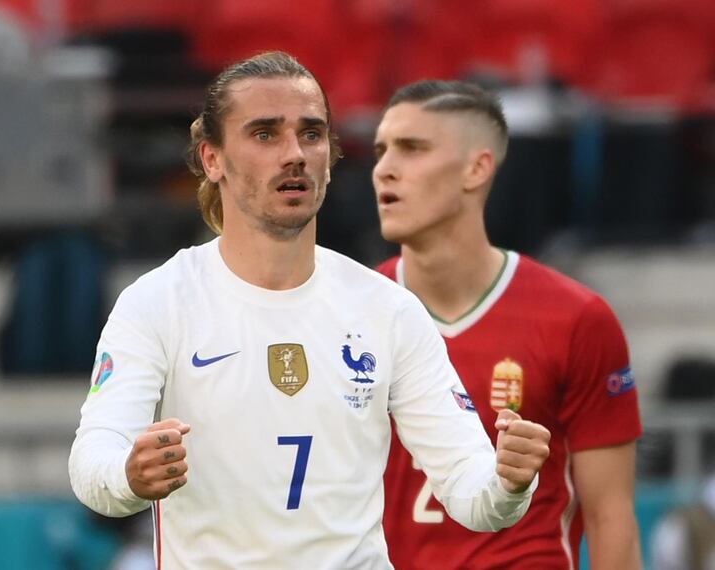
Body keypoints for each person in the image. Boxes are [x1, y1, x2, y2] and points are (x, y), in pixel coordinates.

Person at [68, 52, 551, 569]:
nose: (295, 154)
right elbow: (92, 461)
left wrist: (508, 481)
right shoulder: (158, 302)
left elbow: (470, 490)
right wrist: (128, 477)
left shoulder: (387, 310)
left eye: (311, 133)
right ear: (212, 158)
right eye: (265, 135)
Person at [373, 80, 642, 569]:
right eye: (381, 149)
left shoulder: (577, 318)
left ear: (477, 168)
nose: (384, 169)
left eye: (412, 148)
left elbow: (610, 514)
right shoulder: (351, 314)